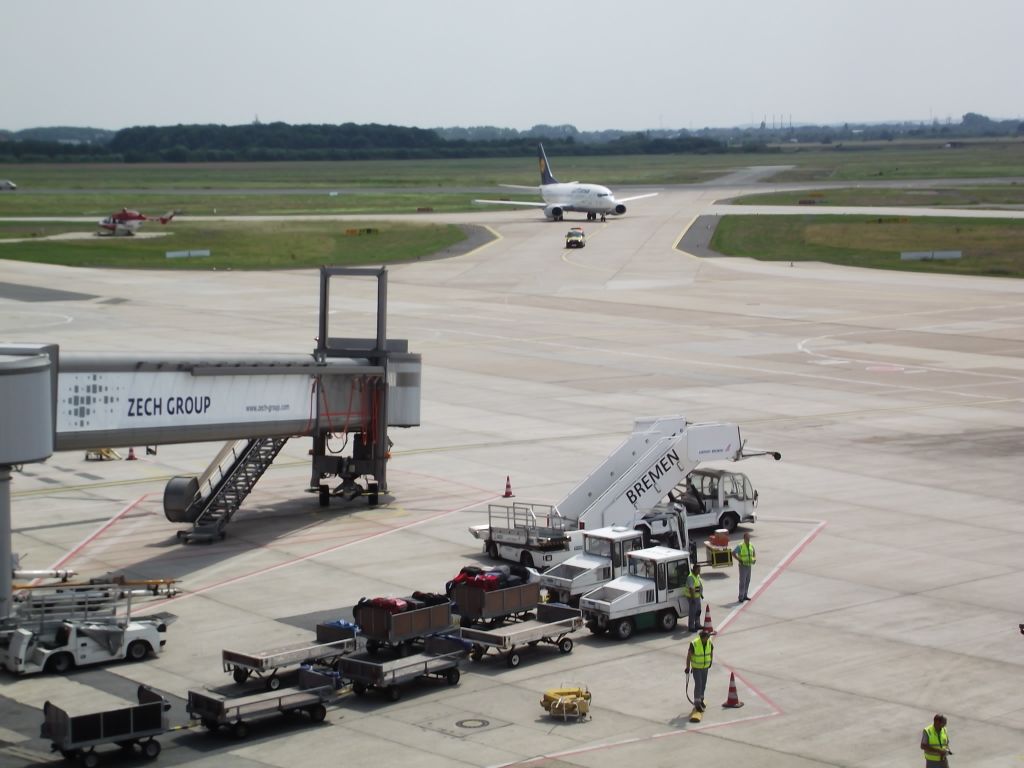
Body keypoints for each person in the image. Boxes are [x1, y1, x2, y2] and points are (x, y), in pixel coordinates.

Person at [685, 628, 714, 711]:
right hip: (696, 667)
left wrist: (710, 661)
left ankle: (701, 699)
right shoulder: (694, 644)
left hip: (705, 667)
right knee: (698, 684)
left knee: (703, 684)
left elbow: (711, 651)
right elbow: (689, 656)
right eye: (707, 637)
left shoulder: (709, 642)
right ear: (702, 637)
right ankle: (697, 703)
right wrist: (688, 667)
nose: (708, 638)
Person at [733, 532, 756, 602]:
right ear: (744, 538)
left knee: (747, 581)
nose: (748, 539)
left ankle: (745, 595)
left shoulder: (751, 545)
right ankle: (741, 596)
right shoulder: (740, 546)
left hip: (749, 565)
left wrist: (754, 559)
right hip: (742, 566)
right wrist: (739, 559)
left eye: (749, 538)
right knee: (742, 582)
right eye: (747, 538)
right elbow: (733, 553)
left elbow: (754, 553)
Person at [684, 563, 703, 631]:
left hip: (697, 597)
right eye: (698, 569)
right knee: (693, 612)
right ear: (694, 569)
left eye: (700, 569)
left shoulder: (697, 576)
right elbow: (691, 589)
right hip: (692, 597)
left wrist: (700, 594)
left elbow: (698, 585)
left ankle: (697, 624)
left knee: (698, 611)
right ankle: (691, 627)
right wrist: (693, 599)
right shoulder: (690, 577)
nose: (699, 571)